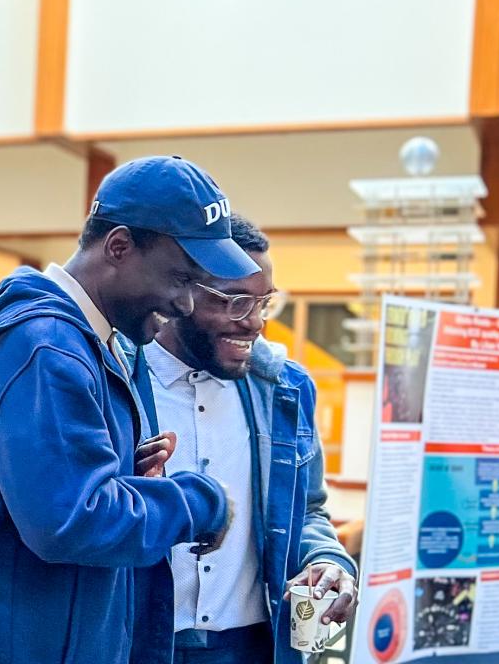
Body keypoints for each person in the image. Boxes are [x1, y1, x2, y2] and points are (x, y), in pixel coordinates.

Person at [0, 156, 261, 664]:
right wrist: (197, 502)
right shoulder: (45, 348)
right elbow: (70, 522)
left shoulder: (81, 343)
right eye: (179, 278)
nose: (186, 305)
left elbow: (57, 496)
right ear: (119, 247)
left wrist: (124, 473)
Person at [134, 214, 358, 664]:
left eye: (263, 303)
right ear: (181, 293)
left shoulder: (285, 390)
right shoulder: (117, 380)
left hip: (253, 646)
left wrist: (329, 559)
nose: (253, 323)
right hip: (137, 641)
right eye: (236, 302)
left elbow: (307, 509)